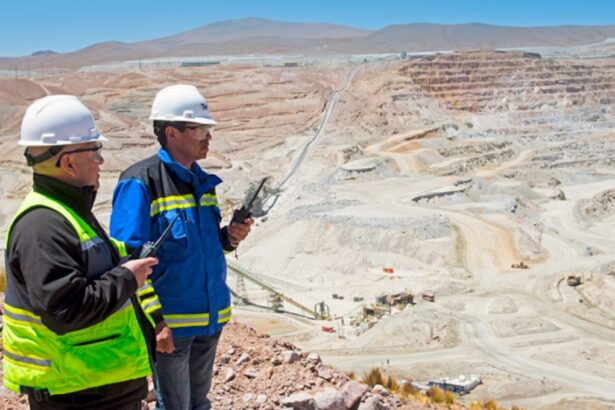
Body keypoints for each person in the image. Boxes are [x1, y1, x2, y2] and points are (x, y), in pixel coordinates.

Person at [2, 95, 159, 410]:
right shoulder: (43, 226)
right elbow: (64, 310)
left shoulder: (69, 212)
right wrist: (127, 278)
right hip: (79, 394)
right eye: (95, 150)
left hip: (96, 386)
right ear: (68, 161)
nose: (100, 160)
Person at [109, 84, 252, 410]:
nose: (208, 137)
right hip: (171, 325)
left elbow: (198, 248)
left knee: (198, 404)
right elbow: (128, 262)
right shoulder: (140, 182)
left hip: (209, 319)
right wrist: (156, 321)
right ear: (172, 132)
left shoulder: (203, 182)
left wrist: (228, 237)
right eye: (200, 129)